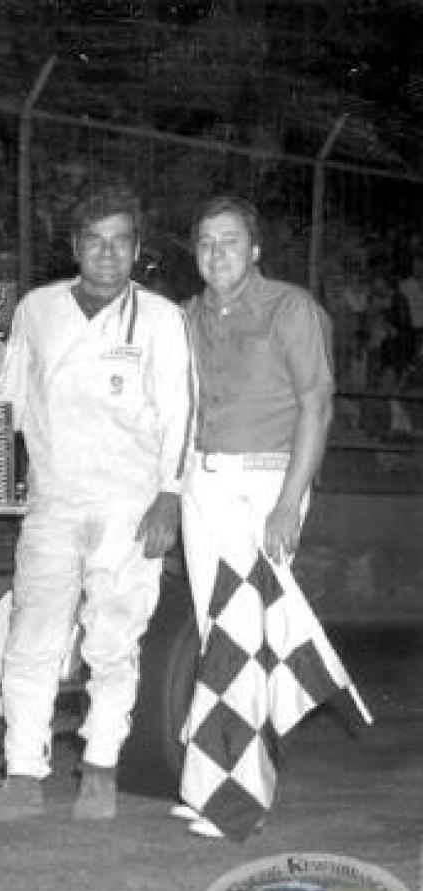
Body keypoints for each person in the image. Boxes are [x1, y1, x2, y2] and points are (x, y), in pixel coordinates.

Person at [0, 184, 194, 823]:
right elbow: (7, 394)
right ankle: (23, 778)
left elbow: (180, 414)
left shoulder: (162, 318)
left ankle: (100, 771)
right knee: (31, 638)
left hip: (128, 506)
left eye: (120, 242)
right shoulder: (37, 309)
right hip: (53, 502)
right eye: (94, 241)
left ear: (136, 250)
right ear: (75, 247)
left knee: (113, 642)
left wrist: (170, 496)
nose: (107, 253)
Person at [172, 196, 340, 838]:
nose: (217, 253)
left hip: (266, 482)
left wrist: (288, 503)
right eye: (206, 243)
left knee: (242, 632)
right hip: (202, 482)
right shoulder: (186, 316)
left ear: (256, 249)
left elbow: (316, 406)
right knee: (218, 630)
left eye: (231, 241)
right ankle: (209, 783)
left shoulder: (290, 308)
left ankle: (236, 802)